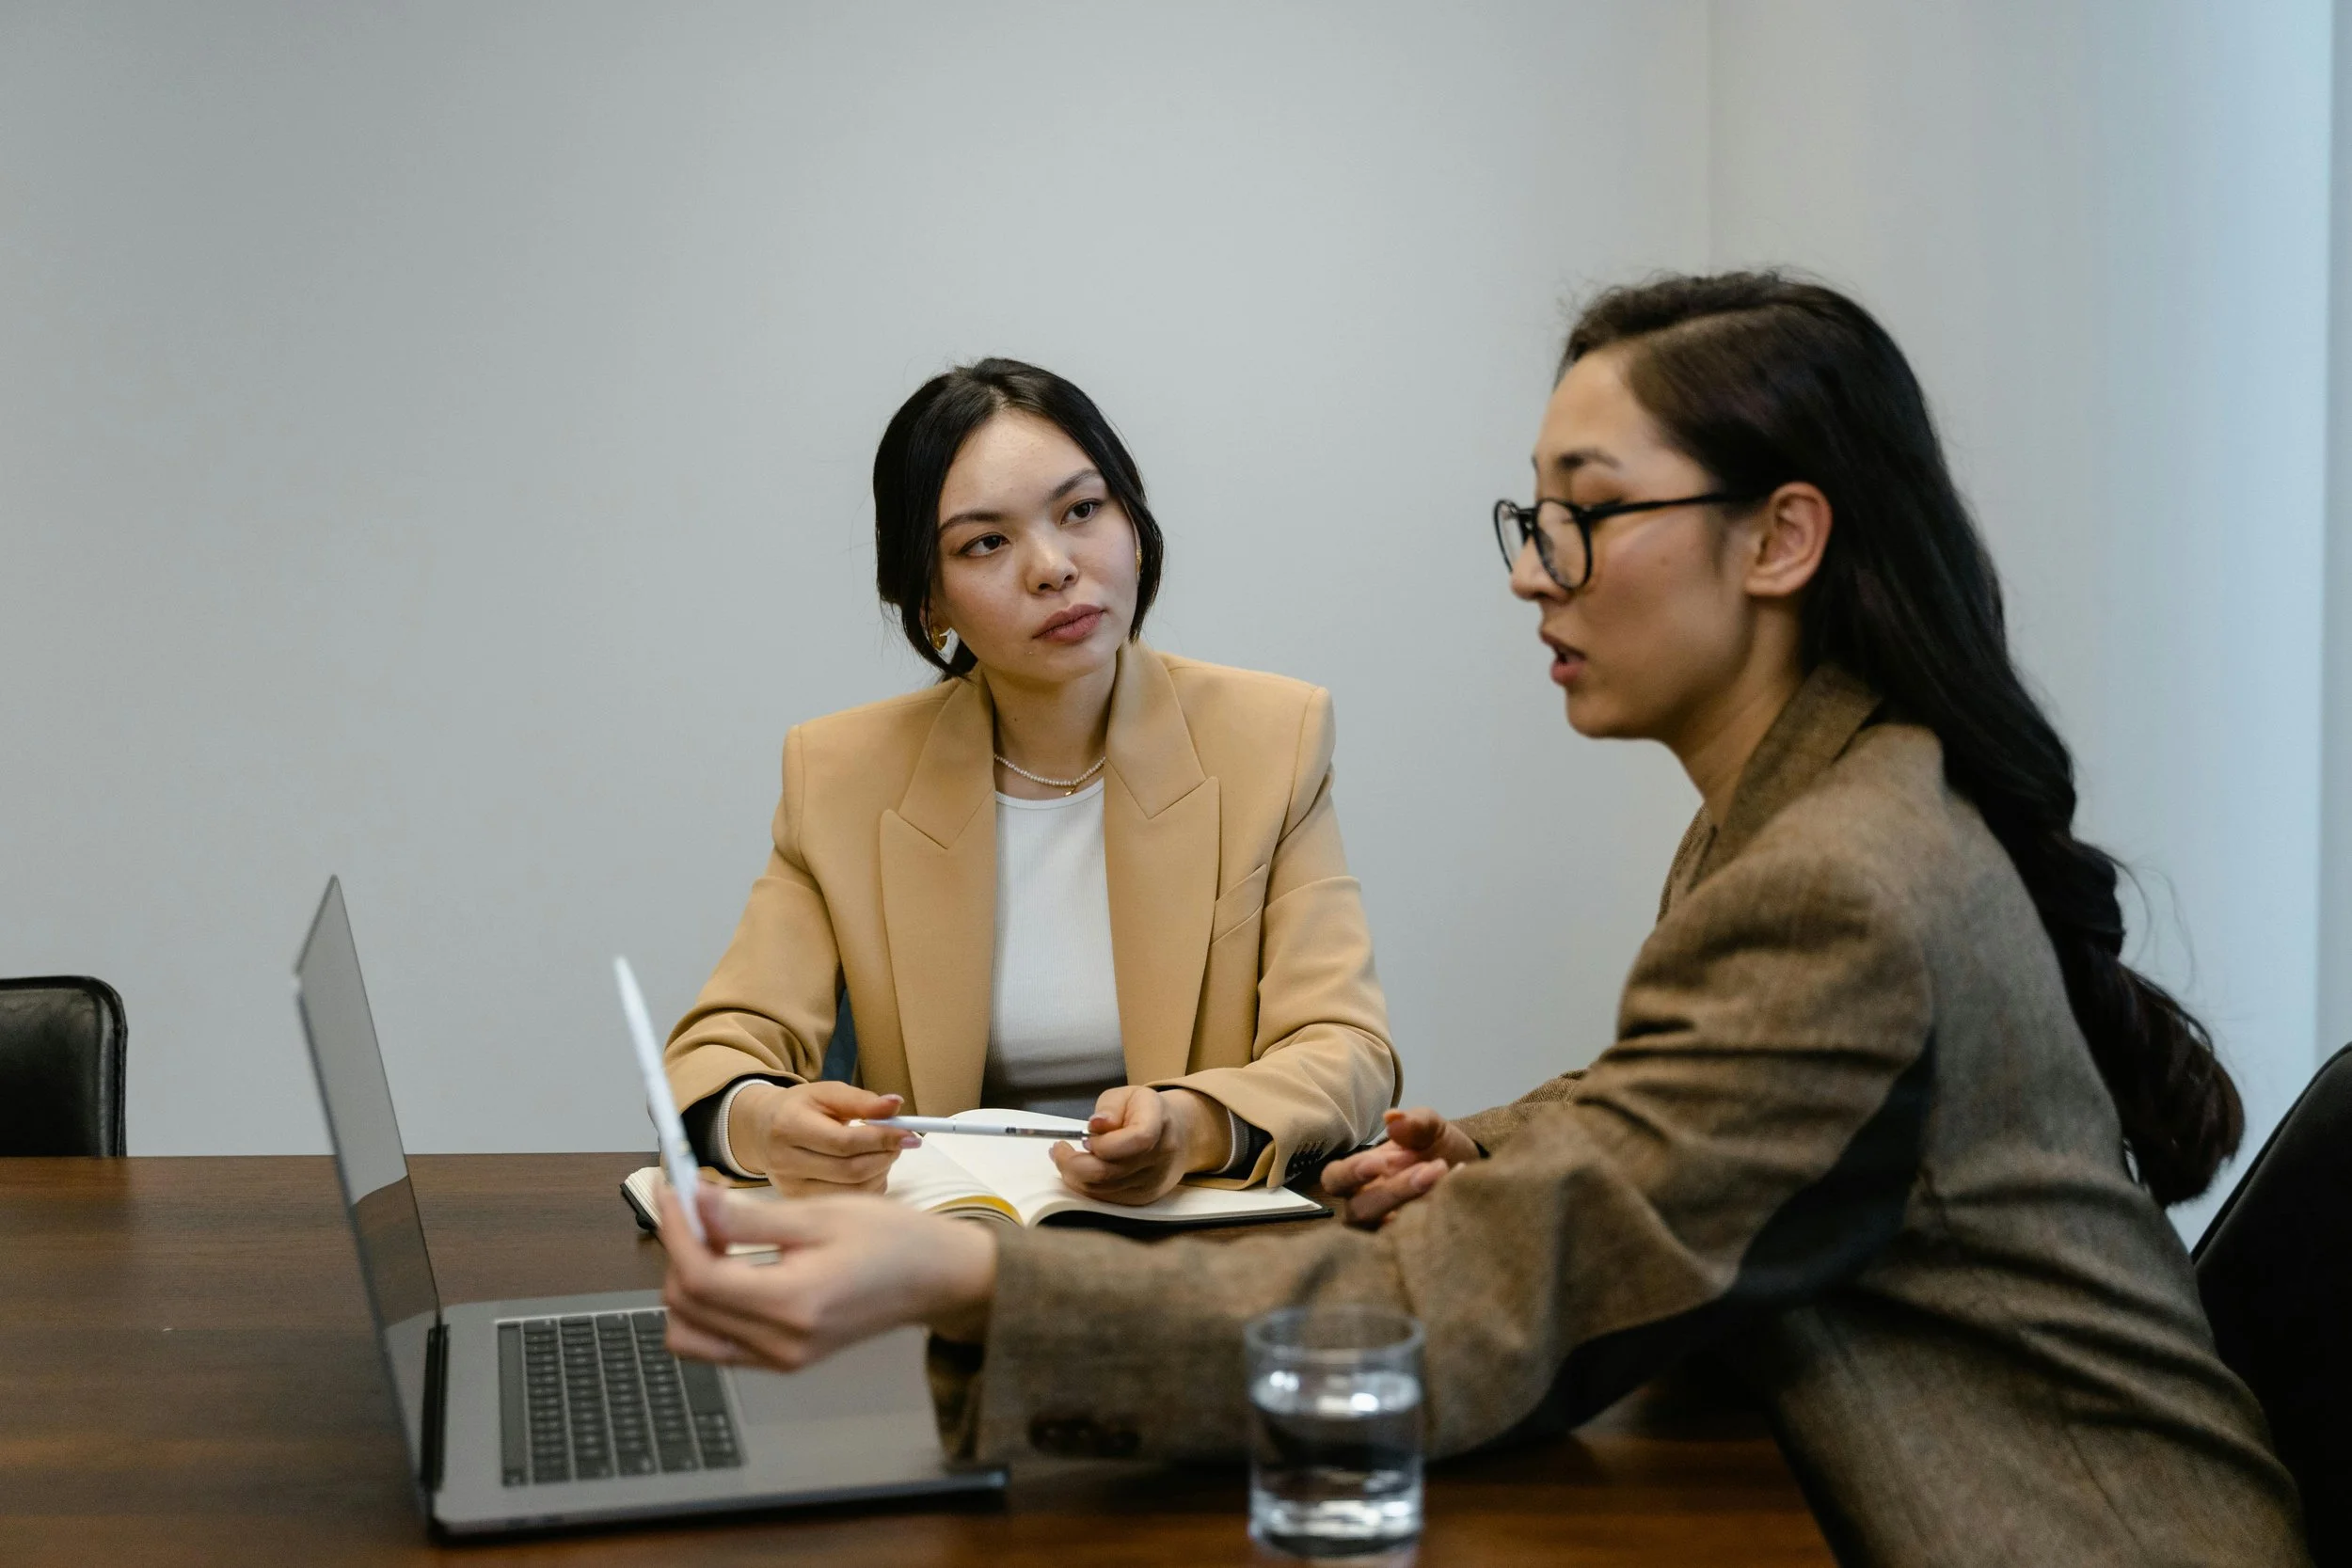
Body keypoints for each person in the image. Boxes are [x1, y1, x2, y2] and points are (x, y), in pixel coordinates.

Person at [654, 277, 2308, 1563]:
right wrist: (1498, 1154)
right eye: (1534, 517)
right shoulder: (1817, 802)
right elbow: (1672, 1112)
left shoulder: (1839, 875)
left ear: (1782, 535)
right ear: (927, 597)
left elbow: (1453, 1313)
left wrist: (959, 1277)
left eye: (1585, 514)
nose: (1536, 572)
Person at [664, 357, 1398, 1206]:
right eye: (986, 542)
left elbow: (1346, 1049)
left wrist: (1194, 1124)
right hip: (945, 1259)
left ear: (1132, 519)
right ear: (929, 600)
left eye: (1082, 510)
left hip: (1192, 1250)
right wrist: (762, 1123)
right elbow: (719, 1048)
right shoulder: (840, 775)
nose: (1052, 566)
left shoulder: (1273, 738)